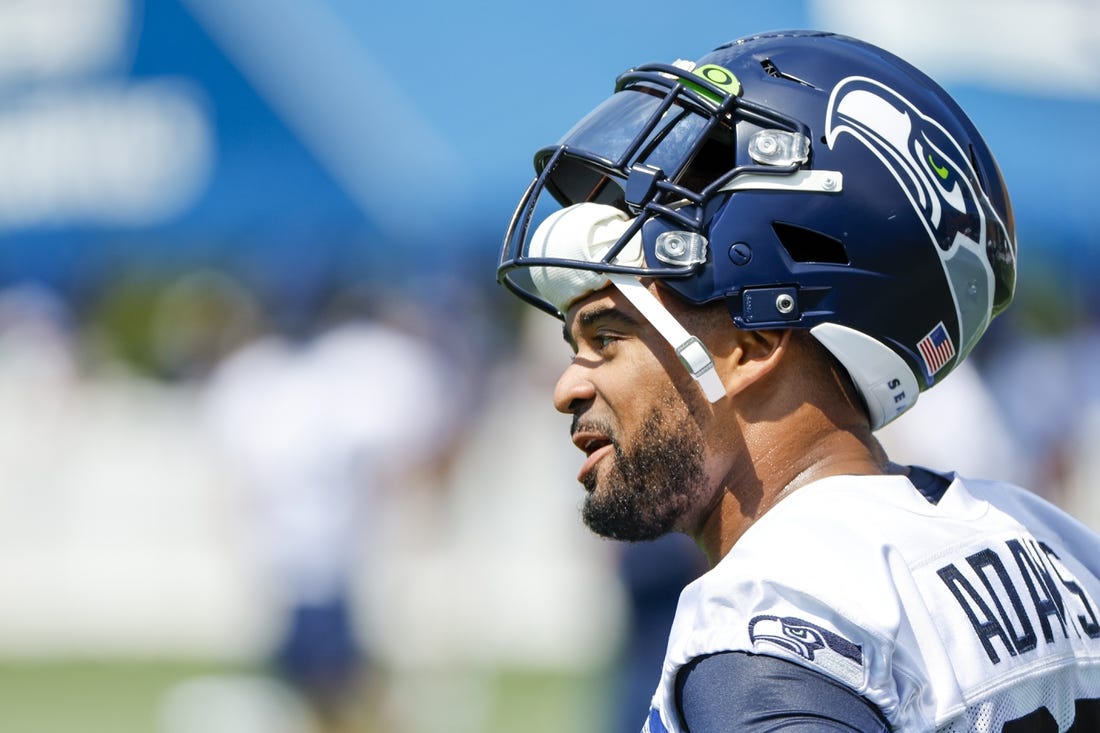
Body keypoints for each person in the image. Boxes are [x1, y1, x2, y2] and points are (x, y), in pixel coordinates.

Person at [496, 30, 1100, 732]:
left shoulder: (775, 615)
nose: (567, 386)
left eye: (608, 337)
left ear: (753, 344)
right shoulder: (1062, 551)